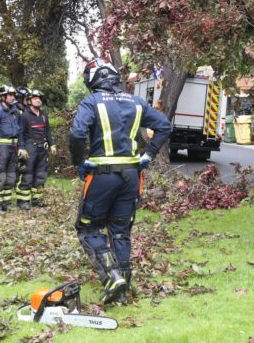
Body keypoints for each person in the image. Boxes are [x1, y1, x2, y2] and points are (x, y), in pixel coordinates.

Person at [70, 58, 171, 304]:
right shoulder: (136, 101)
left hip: (102, 175)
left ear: (92, 80)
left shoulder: (92, 101)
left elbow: (77, 133)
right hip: (131, 177)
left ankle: (113, 277)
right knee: (121, 231)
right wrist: (148, 155)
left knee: (89, 228)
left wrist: (79, 162)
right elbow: (164, 126)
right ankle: (123, 292)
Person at [17, 89, 55, 209]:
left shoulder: (43, 115)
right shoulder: (24, 116)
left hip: (42, 149)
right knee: (27, 174)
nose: (38, 100)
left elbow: (47, 131)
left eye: (39, 98)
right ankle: (23, 201)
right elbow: (21, 133)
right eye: (35, 98)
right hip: (29, 148)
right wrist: (22, 148)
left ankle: (37, 199)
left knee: (41, 175)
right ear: (29, 101)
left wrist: (51, 144)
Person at [0, 85, 21, 216]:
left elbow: (19, 131)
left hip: (13, 149)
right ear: (2, 97)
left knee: (11, 178)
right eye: (10, 95)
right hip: (1, 150)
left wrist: (20, 147)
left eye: (13, 95)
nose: (13, 97)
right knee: (0, 179)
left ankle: (6, 205)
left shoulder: (15, 111)